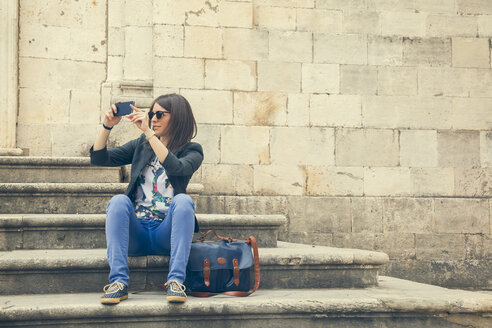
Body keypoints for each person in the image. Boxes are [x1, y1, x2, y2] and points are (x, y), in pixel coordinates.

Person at [90, 94, 203, 305]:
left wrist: (149, 134)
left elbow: (178, 168)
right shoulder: (141, 146)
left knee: (184, 201)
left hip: (166, 235)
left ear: (178, 118)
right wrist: (107, 126)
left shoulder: (192, 150)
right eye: (152, 114)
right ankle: (118, 283)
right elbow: (99, 158)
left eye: (160, 114)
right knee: (118, 201)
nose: (154, 119)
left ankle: (176, 281)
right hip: (137, 233)